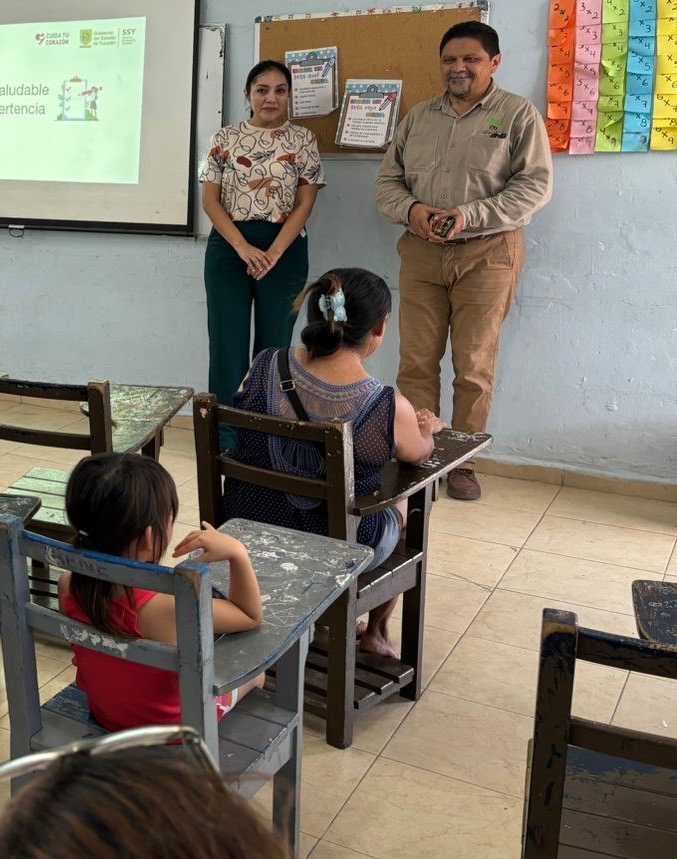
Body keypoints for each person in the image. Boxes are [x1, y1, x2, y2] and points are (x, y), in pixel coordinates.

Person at [225, 268, 443, 658]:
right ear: (380, 328)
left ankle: (320, 622)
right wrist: (428, 428)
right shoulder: (387, 405)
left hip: (249, 527)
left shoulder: (263, 365)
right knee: (412, 503)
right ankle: (375, 631)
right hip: (334, 546)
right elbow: (419, 455)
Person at [376, 21, 552, 501]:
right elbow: (388, 184)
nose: (459, 67)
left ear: (493, 63)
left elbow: (535, 187)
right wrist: (412, 210)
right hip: (422, 253)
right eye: (450, 59)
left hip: (489, 254)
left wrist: (467, 215)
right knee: (415, 363)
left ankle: (462, 462)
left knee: (473, 366)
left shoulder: (517, 115)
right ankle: (417, 456)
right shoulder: (417, 117)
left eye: (471, 59)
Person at [0, 743, 317, 859]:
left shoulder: (80, 595)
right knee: (252, 680)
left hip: (104, 703)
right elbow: (251, 617)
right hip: (160, 717)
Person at [59, 452, 264, 731]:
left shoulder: (68, 584)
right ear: (149, 537)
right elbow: (249, 615)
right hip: (174, 726)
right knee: (257, 675)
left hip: (106, 713)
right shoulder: (167, 606)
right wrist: (237, 553)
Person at [200, 59, 326, 444]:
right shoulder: (224, 138)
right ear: (247, 95)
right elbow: (210, 201)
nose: (271, 98)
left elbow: (305, 203)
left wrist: (271, 252)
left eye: (280, 90)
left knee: (273, 347)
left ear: (289, 96)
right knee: (228, 343)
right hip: (229, 249)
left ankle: (265, 436)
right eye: (262, 90)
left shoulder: (302, 140)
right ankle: (225, 437)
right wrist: (243, 248)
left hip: (283, 251)